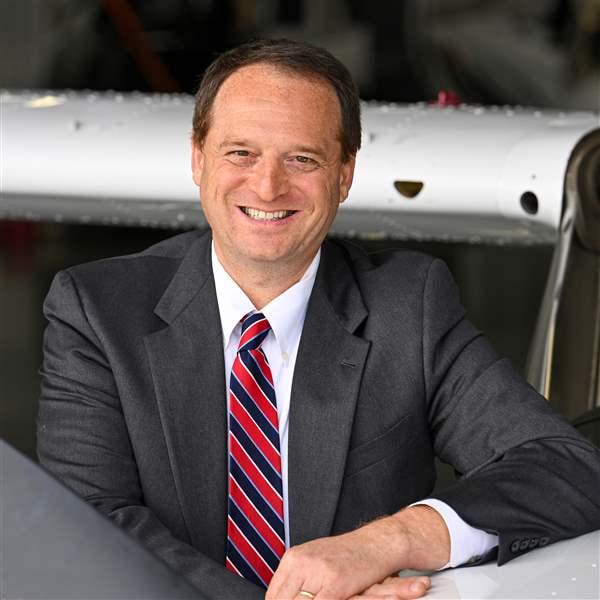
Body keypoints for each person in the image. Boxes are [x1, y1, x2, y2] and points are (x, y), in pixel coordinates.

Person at [37, 38, 600, 600]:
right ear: (197, 157)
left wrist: (390, 540)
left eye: (302, 159)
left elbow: (567, 468)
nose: (267, 186)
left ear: (345, 174)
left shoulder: (408, 306)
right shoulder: (97, 312)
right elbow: (88, 523)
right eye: (241, 153)